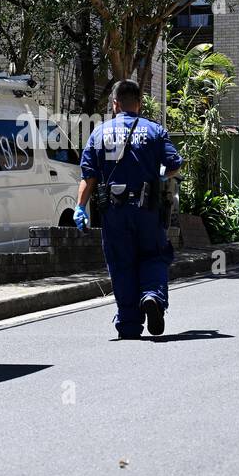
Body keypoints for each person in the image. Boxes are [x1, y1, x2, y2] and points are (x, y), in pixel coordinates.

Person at [76, 80, 183, 338]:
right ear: (140, 103)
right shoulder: (155, 130)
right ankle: (152, 297)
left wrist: (80, 207)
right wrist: (161, 175)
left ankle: (128, 323)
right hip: (147, 209)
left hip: (114, 212)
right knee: (154, 255)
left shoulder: (99, 133)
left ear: (115, 104)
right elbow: (174, 164)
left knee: (121, 262)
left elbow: (89, 176)